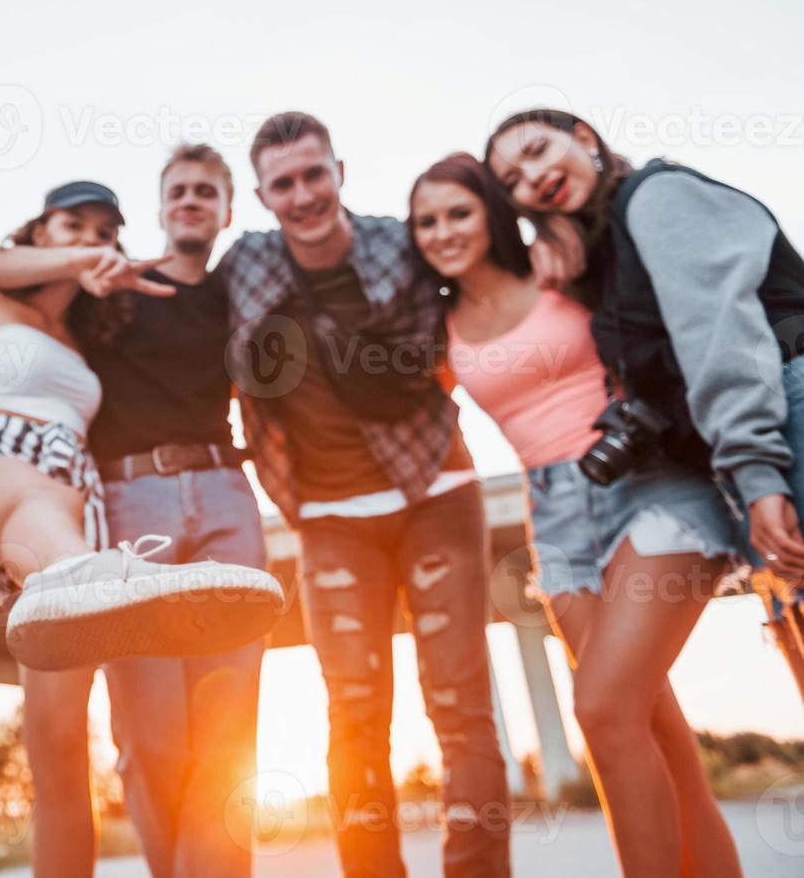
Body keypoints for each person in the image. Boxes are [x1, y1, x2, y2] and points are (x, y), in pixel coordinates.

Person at [408, 151, 744, 877]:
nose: (443, 231)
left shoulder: (558, 261)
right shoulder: (440, 324)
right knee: (653, 726)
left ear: (492, 211)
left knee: (602, 708)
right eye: (426, 221)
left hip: (651, 482)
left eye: (458, 212)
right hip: (553, 514)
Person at [486, 110, 804, 871]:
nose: (532, 177)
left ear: (585, 138)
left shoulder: (658, 199)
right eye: (512, 179)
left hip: (786, 416)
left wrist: (757, 473)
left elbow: (721, 337)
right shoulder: (604, 251)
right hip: (753, 452)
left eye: (539, 150)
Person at [0, 177, 281, 878]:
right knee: (41, 502)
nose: (91, 239)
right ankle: (92, 577)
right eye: (73, 225)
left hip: (76, 497)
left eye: (103, 231)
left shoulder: (91, 332)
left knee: (59, 746)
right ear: (37, 233)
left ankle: (79, 579)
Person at [220, 112, 512, 877]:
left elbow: (480, 285)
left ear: (340, 170)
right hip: (327, 515)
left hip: (436, 490)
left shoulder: (400, 241)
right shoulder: (246, 264)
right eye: (283, 182)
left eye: (315, 174)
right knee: (352, 712)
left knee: (460, 702)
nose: (303, 194)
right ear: (261, 194)